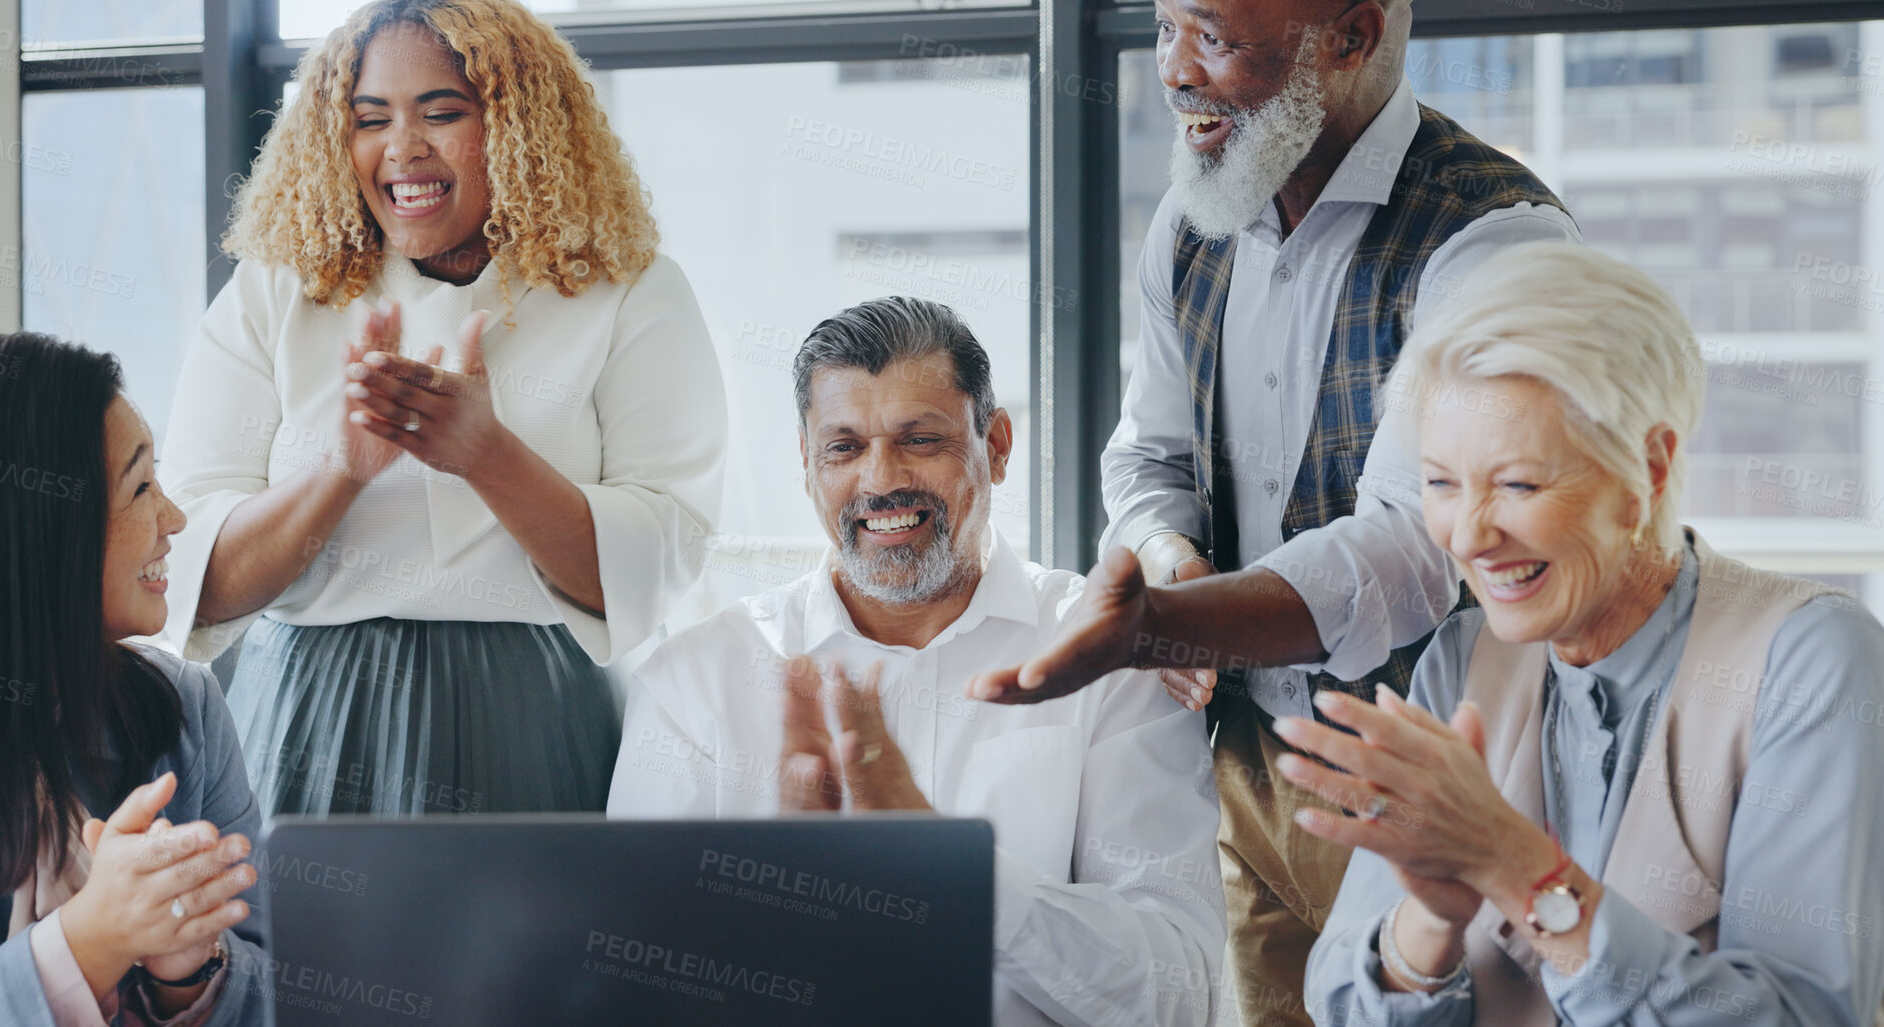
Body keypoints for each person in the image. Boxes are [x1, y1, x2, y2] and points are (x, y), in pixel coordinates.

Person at [971, 0, 1577, 1020]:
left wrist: (1162, 628)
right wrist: (1168, 558)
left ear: (1350, 34)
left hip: (1433, 773)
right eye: (1165, 27)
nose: (1175, 71)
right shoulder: (1193, 220)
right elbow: (1148, 455)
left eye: (1214, 36)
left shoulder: (1492, 240)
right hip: (1248, 769)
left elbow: (1416, 548)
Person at [1280, 244, 1884, 1023]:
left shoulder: (1812, 661)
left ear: (1649, 471)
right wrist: (1429, 921)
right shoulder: (1462, 661)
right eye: (1439, 482)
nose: (1466, 534)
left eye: (1518, 484)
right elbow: (1340, 1001)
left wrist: (1516, 867)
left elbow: (1803, 1016)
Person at [159, 0, 727, 815]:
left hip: (540, 711)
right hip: (303, 720)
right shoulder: (276, 289)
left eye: (443, 112)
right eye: (369, 118)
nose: (402, 149)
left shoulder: (629, 290)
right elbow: (197, 579)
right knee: (294, 944)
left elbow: (651, 570)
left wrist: (486, 456)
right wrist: (341, 469)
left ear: (521, 126)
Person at [605, 298, 1225, 1026]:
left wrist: (953, 869)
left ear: (994, 444)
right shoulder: (694, 680)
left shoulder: (1107, 656)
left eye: (919, 438)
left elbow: (1179, 992)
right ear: (806, 465)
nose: (878, 479)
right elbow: (630, 989)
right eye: (843, 447)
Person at [0, 332, 268, 1025]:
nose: (174, 519)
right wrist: (89, 941)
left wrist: (190, 969)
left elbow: (278, 988)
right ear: (38, 523)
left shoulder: (186, 706)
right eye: (141, 486)